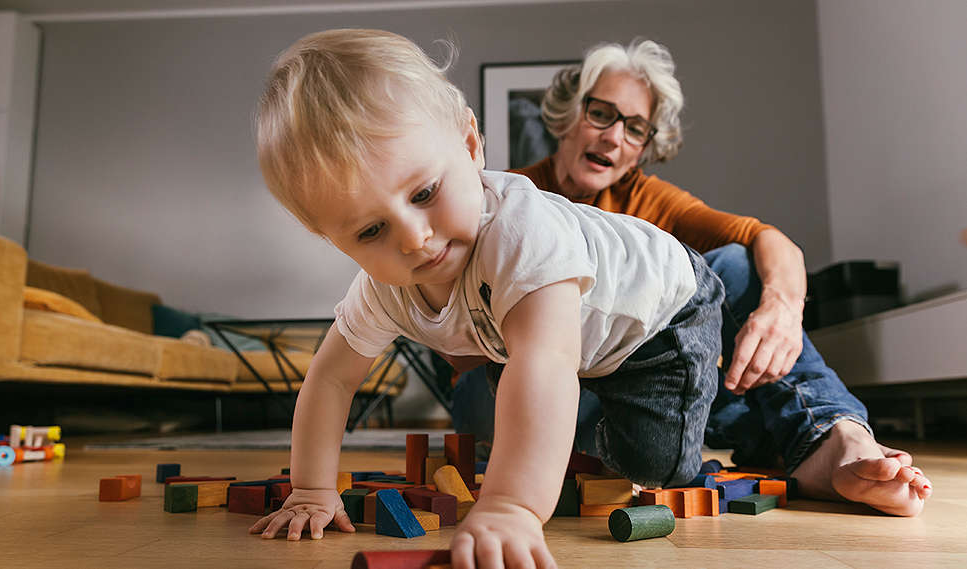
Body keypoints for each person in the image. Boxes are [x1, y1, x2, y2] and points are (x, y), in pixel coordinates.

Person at [247, 28, 725, 568]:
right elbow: (332, 378)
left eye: (424, 193)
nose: (412, 238)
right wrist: (312, 490)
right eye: (370, 231)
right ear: (332, 239)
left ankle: (719, 400)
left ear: (471, 146)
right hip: (566, 341)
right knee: (528, 414)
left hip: (664, 311)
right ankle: (603, 407)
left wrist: (512, 505)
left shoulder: (521, 234)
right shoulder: (381, 290)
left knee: (657, 466)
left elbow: (544, 362)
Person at [485, 38, 929, 517]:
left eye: (635, 128)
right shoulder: (513, 197)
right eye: (601, 113)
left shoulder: (650, 198)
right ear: (567, 116)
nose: (614, 137)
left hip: (643, 391)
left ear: (641, 150)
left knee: (735, 264)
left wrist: (782, 309)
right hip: (527, 389)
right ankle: (783, 442)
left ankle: (832, 436)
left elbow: (767, 240)